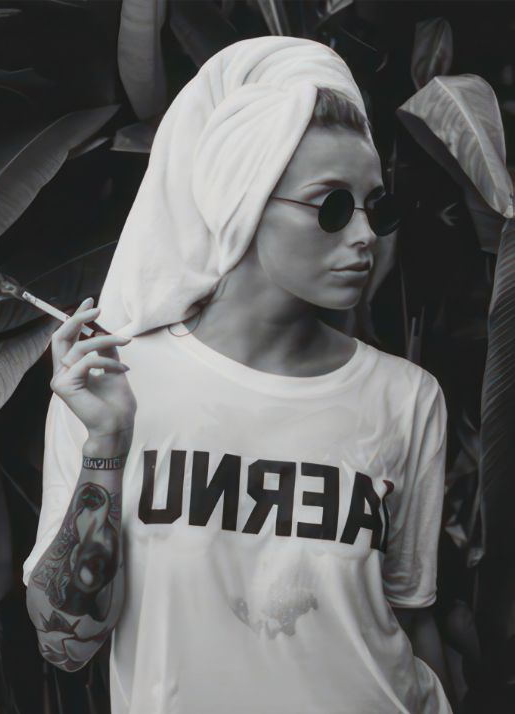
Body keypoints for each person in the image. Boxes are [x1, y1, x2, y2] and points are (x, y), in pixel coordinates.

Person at [23, 36, 453, 713]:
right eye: (331, 206)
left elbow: (409, 615)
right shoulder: (114, 383)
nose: (365, 236)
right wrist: (106, 444)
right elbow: (63, 645)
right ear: (241, 201)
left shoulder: (406, 397)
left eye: (377, 207)